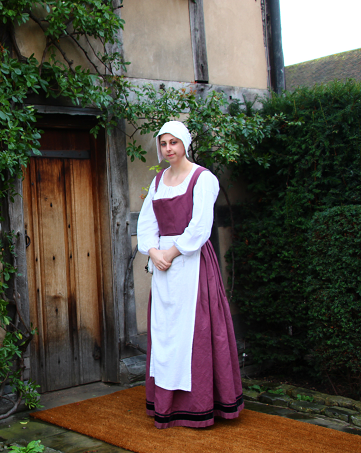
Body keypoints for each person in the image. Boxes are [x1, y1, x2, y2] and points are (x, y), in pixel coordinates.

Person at [136, 120, 243, 429]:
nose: (168, 148)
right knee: (166, 331)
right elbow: (146, 222)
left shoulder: (203, 178)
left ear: (184, 143)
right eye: (163, 143)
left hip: (192, 263)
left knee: (197, 330)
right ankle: (166, 404)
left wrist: (170, 253)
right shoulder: (158, 181)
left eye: (174, 142)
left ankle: (200, 404)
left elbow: (199, 227)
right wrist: (153, 251)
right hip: (163, 268)